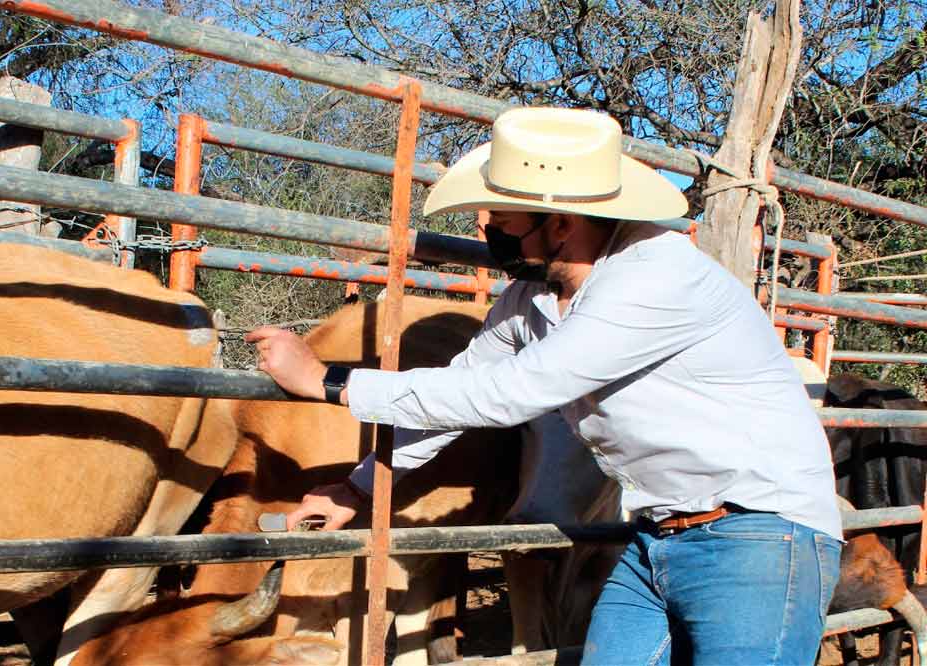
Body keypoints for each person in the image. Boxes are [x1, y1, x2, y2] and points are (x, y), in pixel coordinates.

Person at [245, 106, 841, 664]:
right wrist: (358, 489)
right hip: (658, 535)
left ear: (560, 223)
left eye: (501, 219)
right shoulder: (528, 300)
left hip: (759, 535)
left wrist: (331, 381)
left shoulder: (650, 278)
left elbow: (513, 392)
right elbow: (462, 392)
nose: (486, 229)